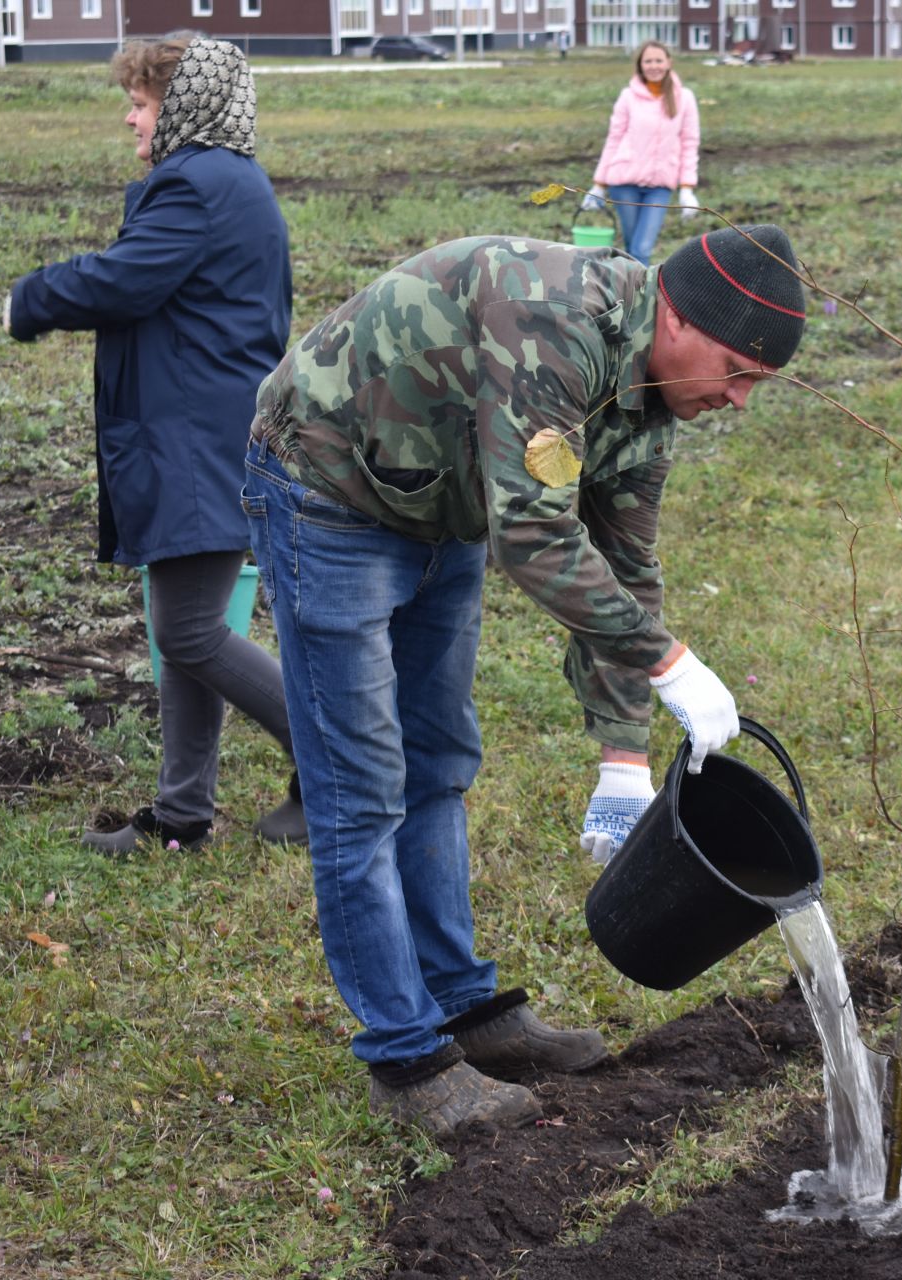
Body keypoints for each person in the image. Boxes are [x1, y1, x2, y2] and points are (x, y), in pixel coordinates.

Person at [241, 225, 807, 1137]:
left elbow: (624, 566)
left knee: (440, 762)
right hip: (330, 488)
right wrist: (667, 663)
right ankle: (405, 1056)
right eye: (736, 371)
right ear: (677, 313)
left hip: (438, 509)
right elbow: (535, 536)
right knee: (362, 789)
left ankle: (466, 1008)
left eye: (756, 385)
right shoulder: (556, 320)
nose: (738, 400)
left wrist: (624, 754)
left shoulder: (659, 398)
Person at [5, 33, 303, 854]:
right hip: (206, 433)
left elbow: (124, 279)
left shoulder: (197, 183)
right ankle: (181, 818)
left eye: (139, 104)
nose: (130, 121)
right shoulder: (229, 180)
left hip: (198, 441)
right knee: (188, 628)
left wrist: (28, 300)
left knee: (189, 633)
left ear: (179, 108)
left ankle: (332, 767)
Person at [581, 41, 701, 266]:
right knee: (631, 248)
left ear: (669, 63)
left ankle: (639, 297)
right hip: (624, 183)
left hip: (660, 187)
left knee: (642, 247)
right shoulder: (628, 97)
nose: (653, 66)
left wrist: (687, 189)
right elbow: (613, 139)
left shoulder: (684, 98)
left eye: (658, 60)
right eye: (648, 61)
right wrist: (599, 184)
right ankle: (630, 294)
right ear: (640, 65)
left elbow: (690, 143)